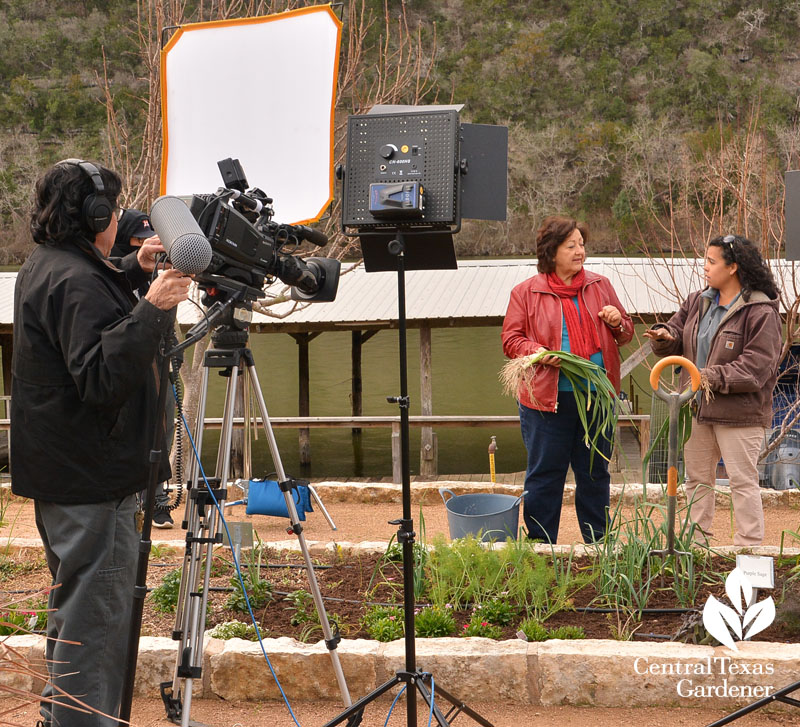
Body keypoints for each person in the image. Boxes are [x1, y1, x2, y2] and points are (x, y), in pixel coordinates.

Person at [10, 159, 191, 727]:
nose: (119, 218)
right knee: (98, 620)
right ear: (94, 215)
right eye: (112, 210)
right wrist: (154, 307)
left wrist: (132, 269)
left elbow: (93, 298)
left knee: (78, 608)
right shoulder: (74, 280)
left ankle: (59, 717)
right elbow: (100, 379)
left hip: (66, 474)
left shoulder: (52, 263)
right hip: (93, 479)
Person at [502, 216, 633, 543]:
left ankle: (599, 544)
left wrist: (617, 322)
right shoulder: (526, 293)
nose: (580, 251)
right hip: (547, 400)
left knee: (595, 474)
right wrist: (537, 351)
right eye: (571, 245)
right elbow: (511, 340)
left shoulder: (599, 285)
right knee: (545, 476)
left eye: (582, 245)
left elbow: (626, 333)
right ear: (552, 251)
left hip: (596, 398)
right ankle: (541, 547)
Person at [644, 234, 781, 546]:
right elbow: (678, 331)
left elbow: (755, 369)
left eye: (711, 261)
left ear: (732, 267)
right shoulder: (698, 300)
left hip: (741, 416)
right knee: (697, 481)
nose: (704, 267)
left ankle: (749, 549)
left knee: (743, 482)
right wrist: (664, 337)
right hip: (697, 409)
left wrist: (705, 376)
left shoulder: (761, 311)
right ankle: (697, 546)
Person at [111, 207, 176, 528]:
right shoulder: (112, 277)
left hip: (160, 363)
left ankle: (160, 501)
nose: (146, 243)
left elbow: (167, 325)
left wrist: (173, 358)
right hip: (128, 367)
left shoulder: (156, 272)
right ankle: (140, 501)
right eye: (138, 238)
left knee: (163, 431)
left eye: (150, 237)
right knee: (139, 433)